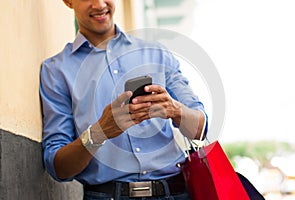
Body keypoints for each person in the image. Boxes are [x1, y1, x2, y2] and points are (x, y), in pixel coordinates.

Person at [40, 0, 208, 199]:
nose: (100, 4)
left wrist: (175, 110)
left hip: (176, 192)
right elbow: (58, 168)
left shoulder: (156, 53)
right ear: (68, 1)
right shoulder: (56, 70)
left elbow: (200, 129)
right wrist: (99, 132)